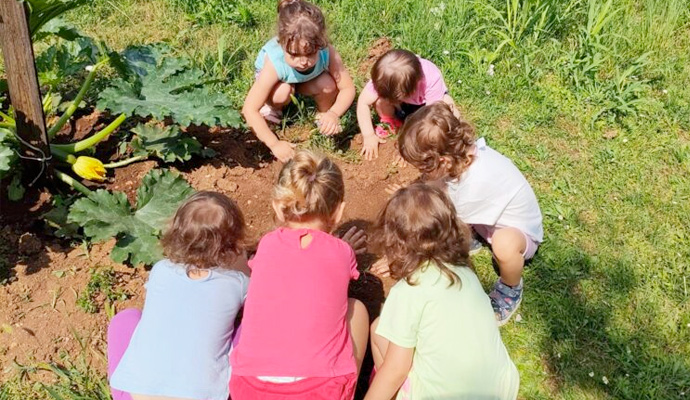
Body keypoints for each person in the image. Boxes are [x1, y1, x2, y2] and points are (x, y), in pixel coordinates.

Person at [229, 149, 369, 400]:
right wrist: (342, 247)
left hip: (249, 387)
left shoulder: (267, 245)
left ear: (278, 207)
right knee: (356, 308)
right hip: (320, 388)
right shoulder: (342, 251)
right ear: (338, 211)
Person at [365, 183, 519, 400]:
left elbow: (395, 370)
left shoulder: (408, 290)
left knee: (377, 329)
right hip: (501, 388)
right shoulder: (465, 272)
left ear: (394, 242)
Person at [395, 102, 543, 326]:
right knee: (439, 193)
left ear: (443, 162)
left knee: (503, 245)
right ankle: (480, 236)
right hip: (490, 219)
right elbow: (438, 186)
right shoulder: (460, 158)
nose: (421, 174)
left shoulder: (474, 183)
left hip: (519, 233)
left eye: (424, 168)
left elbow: (451, 221)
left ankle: (511, 289)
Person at [107, 192, 250, 400]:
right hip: (203, 396)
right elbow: (256, 293)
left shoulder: (161, 270)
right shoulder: (238, 282)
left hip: (133, 393)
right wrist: (242, 266)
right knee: (248, 328)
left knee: (126, 319)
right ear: (234, 244)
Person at [243, 0, 356, 162]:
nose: (303, 62)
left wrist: (334, 113)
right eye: (294, 55)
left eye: (310, 54)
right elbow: (249, 109)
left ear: (320, 43)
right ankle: (273, 108)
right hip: (279, 82)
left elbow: (347, 88)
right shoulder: (274, 63)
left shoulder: (326, 51)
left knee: (328, 85)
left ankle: (323, 116)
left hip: (306, 80)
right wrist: (274, 144)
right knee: (281, 93)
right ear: (282, 44)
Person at [356, 49, 459, 160]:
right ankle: (391, 121)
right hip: (401, 106)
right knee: (380, 101)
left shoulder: (431, 78)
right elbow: (363, 102)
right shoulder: (385, 76)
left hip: (426, 107)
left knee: (447, 104)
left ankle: (456, 135)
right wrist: (368, 135)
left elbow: (430, 117)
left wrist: (408, 145)